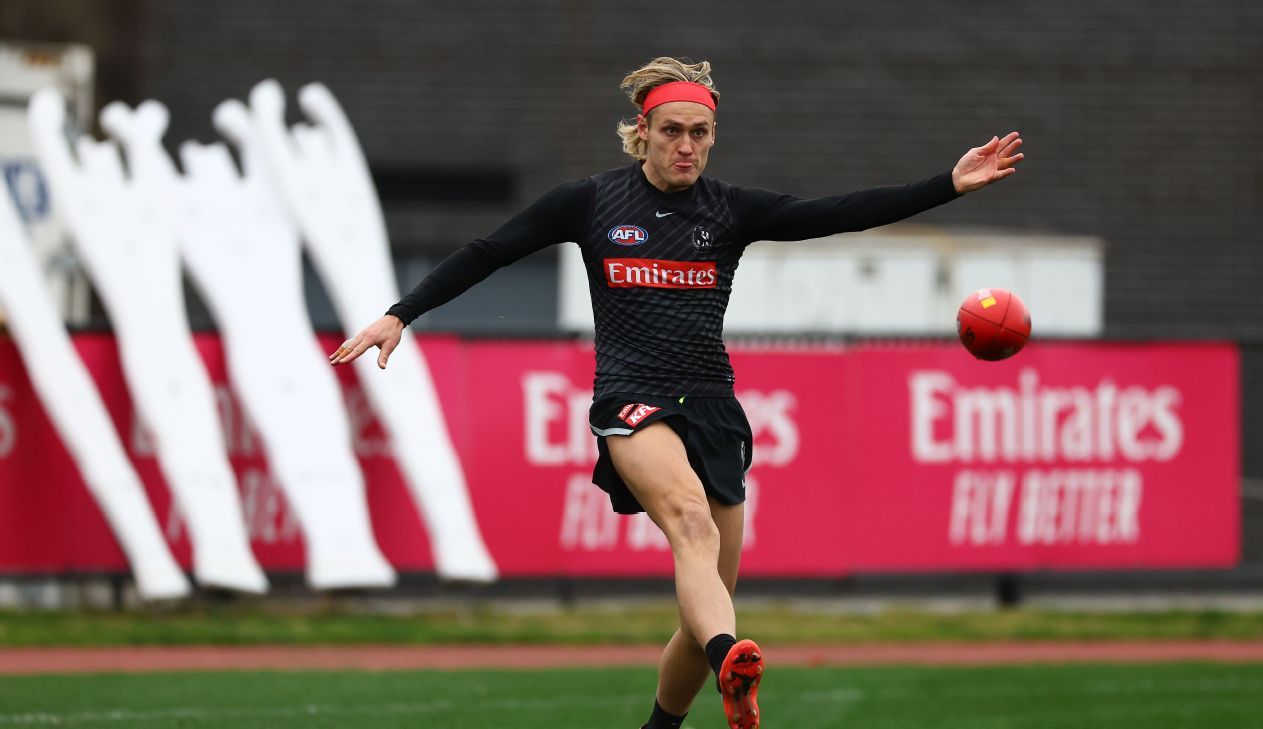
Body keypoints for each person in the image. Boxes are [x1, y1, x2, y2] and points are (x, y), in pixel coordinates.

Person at [329, 56, 1023, 729]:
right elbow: (489, 250)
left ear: (712, 136)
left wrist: (947, 185)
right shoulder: (593, 201)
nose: (686, 145)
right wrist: (401, 313)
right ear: (643, 131)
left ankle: (692, 691)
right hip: (632, 399)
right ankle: (734, 657)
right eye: (672, 131)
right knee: (689, 522)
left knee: (703, 610)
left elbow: (841, 212)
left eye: (699, 132)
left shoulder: (730, 211)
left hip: (713, 405)